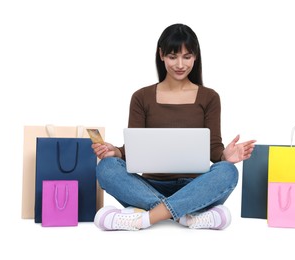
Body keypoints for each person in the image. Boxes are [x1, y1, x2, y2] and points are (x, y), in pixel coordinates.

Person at [92, 23, 256, 231]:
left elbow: (214, 150)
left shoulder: (209, 97)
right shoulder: (141, 97)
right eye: (172, 56)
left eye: (187, 57)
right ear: (161, 55)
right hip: (149, 187)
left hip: (196, 187)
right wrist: (115, 151)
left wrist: (226, 156)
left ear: (195, 57)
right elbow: (134, 149)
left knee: (228, 172)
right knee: (107, 168)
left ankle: (147, 218)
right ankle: (186, 216)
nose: (180, 64)